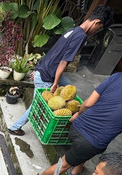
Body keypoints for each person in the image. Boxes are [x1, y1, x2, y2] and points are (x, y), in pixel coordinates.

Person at [7, 5, 113, 136]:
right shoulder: (81, 36)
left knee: (70, 88)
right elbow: (63, 62)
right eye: (99, 28)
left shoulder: (73, 31)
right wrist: (55, 83)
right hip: (47, 76)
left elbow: (54, 52)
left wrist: (39, 69)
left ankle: (70, 122)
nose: (97, 30)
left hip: (44, 70)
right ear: (97, 22)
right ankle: (15, 127)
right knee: (37, 106)